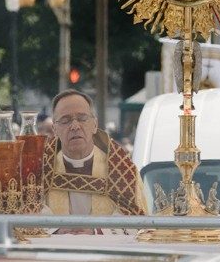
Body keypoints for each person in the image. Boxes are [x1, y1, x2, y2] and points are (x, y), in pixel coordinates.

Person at [43, 89, 147, 233]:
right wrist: (57, 229)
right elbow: (30, 210)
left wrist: (97, 231)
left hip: (106, 250)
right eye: (65, 120)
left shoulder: (122, 168)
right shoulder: (40, 169)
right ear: (54, 129)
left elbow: (136, 215)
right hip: (54, 251)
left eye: (82, 118)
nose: (75, 126)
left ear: (95, 125)